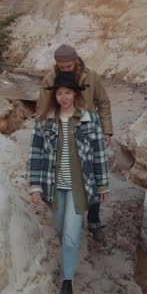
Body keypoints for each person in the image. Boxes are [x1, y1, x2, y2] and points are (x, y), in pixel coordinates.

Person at [28, 70, 110, 294]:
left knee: (71, 235)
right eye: (59, 94)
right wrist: (35, 186)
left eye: (68, 93)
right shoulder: (44, 121)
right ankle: (67, 260)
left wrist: (102, 186)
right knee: (60, 229)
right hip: (53, 187)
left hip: (79, 187)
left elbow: (99, 153)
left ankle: (67, 281)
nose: (64, 98)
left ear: (75, 94)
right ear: (54, 96)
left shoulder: (89, 119)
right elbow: (35, 154)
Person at [35, 44, 113, 243]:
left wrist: (106, 131)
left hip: (88, 131)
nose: (65, 70)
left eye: (69, 66)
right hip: (62, 132)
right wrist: (44, 134)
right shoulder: (50, 79)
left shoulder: (91, 76)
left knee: (92, 174)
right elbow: (42, 108)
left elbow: (103, 102)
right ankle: (66, 220)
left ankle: (94, 221)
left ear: (76, 60)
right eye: (61, 67)